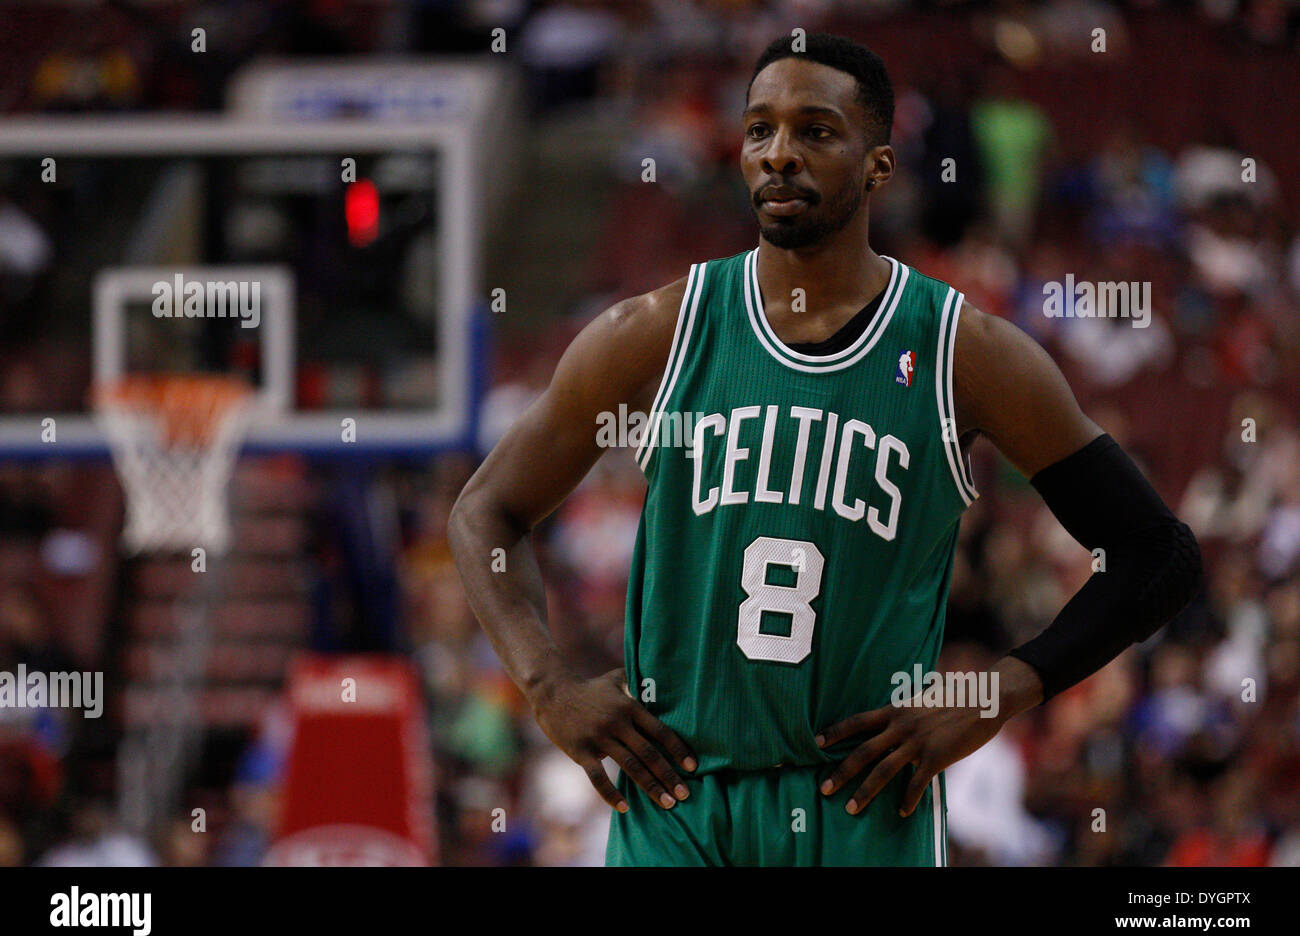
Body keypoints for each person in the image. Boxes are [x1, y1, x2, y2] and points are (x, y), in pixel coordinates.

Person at [450, 33, 1202, 866]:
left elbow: (1157, 554)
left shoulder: (966, 353)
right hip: (679, 801)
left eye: (815, 131)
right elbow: (487, 508)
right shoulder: (654, 334)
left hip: (862, 804)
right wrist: (547, 686)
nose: (779, 155)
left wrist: (996, 693)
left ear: (878, 166)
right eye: (760, 130)